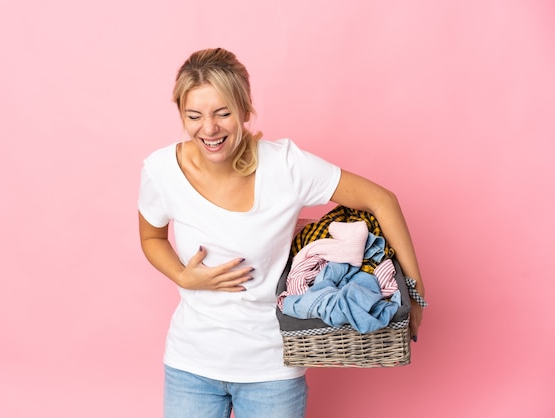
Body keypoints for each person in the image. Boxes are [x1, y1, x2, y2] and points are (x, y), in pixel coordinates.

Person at [138, 47, 425, 418]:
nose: (208, 129)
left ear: (244, 110)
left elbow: (381, 201)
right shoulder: (161, 170)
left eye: (222, 113)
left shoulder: (286, 166)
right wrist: (182, 275)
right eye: (194, 116)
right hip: (190, 365)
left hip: (271, 371)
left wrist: (415, 295)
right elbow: (151, 237)